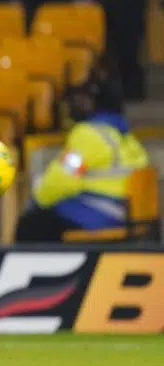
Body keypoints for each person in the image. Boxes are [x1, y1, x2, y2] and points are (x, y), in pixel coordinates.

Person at [16, 68, 150, 242]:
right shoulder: (126, 138)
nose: (75, 105)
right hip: (125, 214)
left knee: (30, 225)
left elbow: (63, 178)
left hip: (100, 214)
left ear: (95, 103)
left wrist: (37, 199)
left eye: (83, 100)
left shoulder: (88, 134)